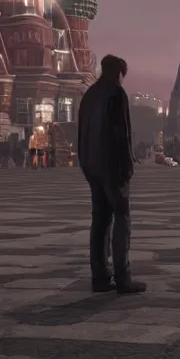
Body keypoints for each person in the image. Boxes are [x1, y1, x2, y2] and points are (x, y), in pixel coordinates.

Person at [77, 55, 145, 295]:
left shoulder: (89, 95)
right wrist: (127, 165)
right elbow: (121, 134)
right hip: (112, 167)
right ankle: (122, 276)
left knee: (100, 220)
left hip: (92, 166)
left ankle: (100, 277)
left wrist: (85, 164)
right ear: (118, 72)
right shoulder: (116, 94)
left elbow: (81, 134)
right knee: (122, 217)